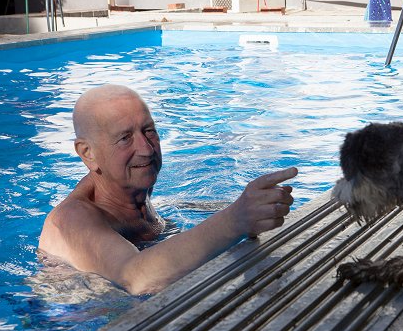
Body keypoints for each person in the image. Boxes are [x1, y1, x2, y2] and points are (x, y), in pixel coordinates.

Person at [39, 84, 297, 296]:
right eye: (125, 138)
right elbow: (136, 279)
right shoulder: (70, 220)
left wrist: (256, 210)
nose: (146, 149)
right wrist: (236, 219)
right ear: (88, 153)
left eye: (149, 131)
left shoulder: (133, 197)